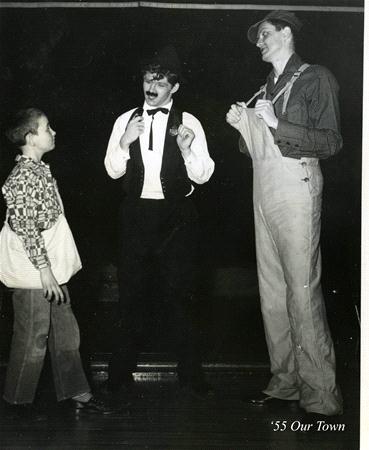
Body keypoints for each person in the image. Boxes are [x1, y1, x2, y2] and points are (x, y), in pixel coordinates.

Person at [226, 11, 343, 416]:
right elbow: (252, 149)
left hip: (298, 189)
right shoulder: (263, 89)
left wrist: (278, 123)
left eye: (264, 34)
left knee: (301, 292)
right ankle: (286, 383)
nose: (258, 43)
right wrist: (244, 126)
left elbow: (331, 141)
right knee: (272, 295)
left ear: (287, 33)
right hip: (264, 193)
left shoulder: (316, 78)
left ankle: (321, 396)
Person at [104, 46, 214, 395]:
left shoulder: (190, 121)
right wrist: (124, 142)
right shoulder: (125, 119)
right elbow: (112, 170)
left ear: (175, 87)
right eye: (147, 78)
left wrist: (186, 150)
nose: (151, 87)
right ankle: (118, 376)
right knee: (130, 297)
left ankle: (192, 377)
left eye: (161, 81)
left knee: (180, 298)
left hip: (177, 219)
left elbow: (203, 175)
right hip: (135, 215)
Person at [1, 108, 115, 418]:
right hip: (36, 272)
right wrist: (45, 271)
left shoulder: (39, 169)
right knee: (33, 336)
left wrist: (51, 271)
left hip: (50, 269)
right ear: (30, 137)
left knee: (66, 331)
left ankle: (77, 391)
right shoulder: (24, 175)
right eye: (46, 128)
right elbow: (25, 227)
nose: (53, 132)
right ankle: (17, 402)